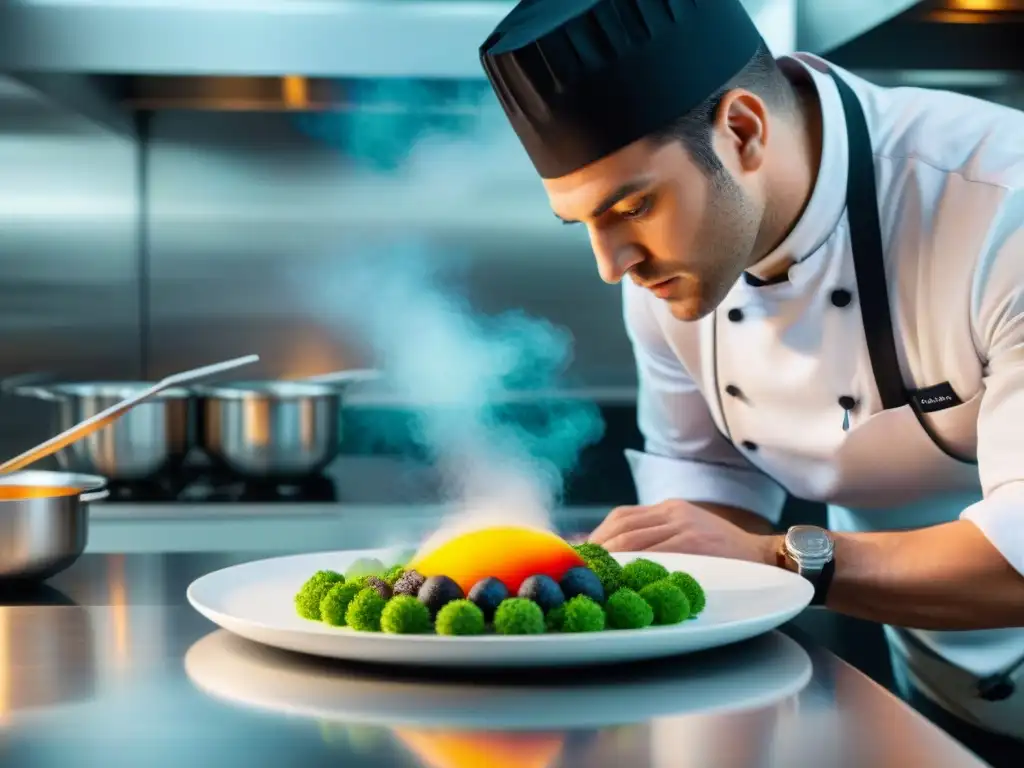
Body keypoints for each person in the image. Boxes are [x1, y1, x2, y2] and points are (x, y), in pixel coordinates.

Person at [479, 0, 1024, 760]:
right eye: (584, 226)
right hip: (942, 675)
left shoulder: (1003, 205)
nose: (613, 266)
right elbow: (708, 479)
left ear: (741, 130)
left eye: (632, 206)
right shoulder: (668, 270)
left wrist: (778, 557)